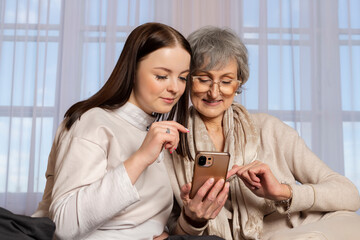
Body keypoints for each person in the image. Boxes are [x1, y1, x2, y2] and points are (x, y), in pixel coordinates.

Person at [165, 26, 360, 240]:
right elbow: (173, 234)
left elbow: (350, 194)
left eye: (227, 81)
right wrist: (193, 219)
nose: (214, 91)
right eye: (203, 79)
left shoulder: (269, 129)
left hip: (311, 228)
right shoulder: (170, 145)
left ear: (239, 84)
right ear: (187, 79)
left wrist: (283, 192)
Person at [32, 22, 191, 240]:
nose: (175, 88)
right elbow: (64, 225)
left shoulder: (157, 132)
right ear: (132, 71)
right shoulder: (91, 122)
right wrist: (141, 157)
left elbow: (147, 220)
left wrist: (193, 217)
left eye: (182, 77)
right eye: (162, 76)